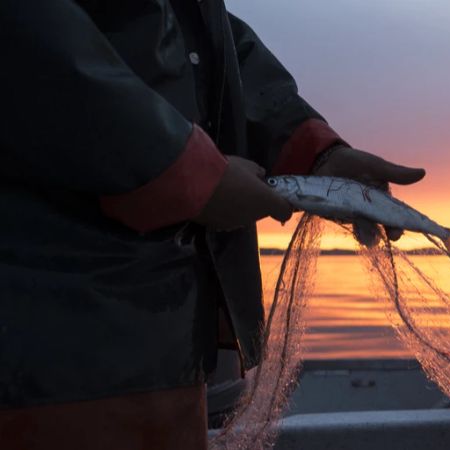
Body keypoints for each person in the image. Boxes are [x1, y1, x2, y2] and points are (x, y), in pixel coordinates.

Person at [0, 1, 424, 448]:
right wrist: (188, 172)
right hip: (50, 347)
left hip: (165, 339)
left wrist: (313, 151)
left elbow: (199, 41)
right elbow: (29, 37)